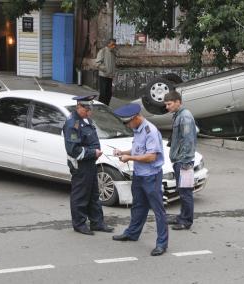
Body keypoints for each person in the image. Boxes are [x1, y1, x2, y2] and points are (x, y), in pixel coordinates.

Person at [111, 103, 168, 256]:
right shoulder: (138, 129)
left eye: (128, 122)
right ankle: (132, 233)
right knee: (138, 206)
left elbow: (151, 156)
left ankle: (162, 243)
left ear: (136, 118)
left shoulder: (151, 131)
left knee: (158, 210)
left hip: (151, 176)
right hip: (139, 175)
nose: (127, 126)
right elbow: (138, 149)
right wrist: (123, 152)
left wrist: (129, 157)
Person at [63, 95, 114, 236]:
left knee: (93, 194)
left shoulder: (86, 119)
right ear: (79, 106)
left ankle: (97, 223)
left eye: (90, 109)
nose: (89, 112)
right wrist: (93, 153)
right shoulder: (73, 124)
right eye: (87, 109)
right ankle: (79, 224)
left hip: (90, 163)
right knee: (80, 195)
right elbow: (73, 150)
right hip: (81, 165)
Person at [164, 90, 197, 230]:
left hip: (184, 162)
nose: (167, 107)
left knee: (185, 192)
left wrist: (184, 161)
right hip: (180, 160)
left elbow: (188, 140)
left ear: (178, 102)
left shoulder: (185, 117)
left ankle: (186, 221)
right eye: (166, 104)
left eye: (169, 104)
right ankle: (182, 217)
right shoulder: (179, 115)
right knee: (182, 191)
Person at [95, 38, 117, 106]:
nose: (114, 46)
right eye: (112, 44)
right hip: (103, 75)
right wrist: (105, 69)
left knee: (109, 94)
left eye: (114, 44)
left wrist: (113, 73)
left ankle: (106, 106)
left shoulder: (113, 52)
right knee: (103, 93)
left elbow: (113, 64)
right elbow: (97, 63)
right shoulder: (103, 51)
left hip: (110, 76)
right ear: (108, 44)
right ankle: (100, 106)